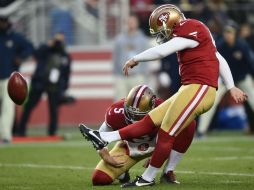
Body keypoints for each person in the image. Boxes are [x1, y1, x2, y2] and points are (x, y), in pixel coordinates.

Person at [80, 4, 247, 188]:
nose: (162, 34)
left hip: (200, 88)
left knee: (166, 132)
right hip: (190, 87)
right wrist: (231, 86)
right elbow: (218, 57)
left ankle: (147, 178)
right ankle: (104, 137)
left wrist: (135, 58)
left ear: (172, 22)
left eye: (162, 30)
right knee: (149, 120)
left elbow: (162, 51)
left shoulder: (190, 27)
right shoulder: (197, 30)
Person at [80, 85, 196, 185]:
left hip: (158, 143)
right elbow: (99, 136)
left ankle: (168, 171)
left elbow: (171, 135)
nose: (134, 120)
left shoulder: (163, 107)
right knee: (99, 179)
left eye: (139, 116)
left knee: (189, 122)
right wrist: (106, 156)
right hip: (130, 146)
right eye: (131, 114)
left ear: (152, 108)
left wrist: (158, 156)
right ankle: (123, 174)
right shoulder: (116, 111)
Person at [197, 22, 254, 136]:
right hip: (225, 80)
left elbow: (251, 64)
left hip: (242, 78)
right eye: (226, 32)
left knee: (253, 100)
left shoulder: (242, 46)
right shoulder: (220, 45)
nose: (228, 35)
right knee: (211, 101)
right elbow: (213, 63)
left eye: (230, 32)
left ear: (236, 34)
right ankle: (201, 131)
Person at [18, 33, 71, 136]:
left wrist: (64, 89)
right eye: (56, 40)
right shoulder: (45, 50)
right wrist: (47, 46)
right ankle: (21, 130)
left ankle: (52, 131)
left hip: (54, 85)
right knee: (29, 106)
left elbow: (66, 73)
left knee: (54, 109)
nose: (58, 43)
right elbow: (36, 53)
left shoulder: (64, 55)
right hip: (39, 82)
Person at [0, 16, 33, 143]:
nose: (2, 24)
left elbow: (30, 47)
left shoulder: (14, 37)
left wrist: (21, 57)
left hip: (9, 80)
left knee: (8, 108)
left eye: (3, 21)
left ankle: (6, 136)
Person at [113, 13, 149, 100]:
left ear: (137, 23)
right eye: (129, 22)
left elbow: (146, 58)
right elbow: (115, 58)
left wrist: (143, 74)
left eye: (133, 22)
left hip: (137, 76)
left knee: (138, 103)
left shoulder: (143, 39)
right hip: (122, 77)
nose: (131, 24)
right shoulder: (119, 39)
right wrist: (117, 73)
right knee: (120, 102)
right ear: (126, 23)